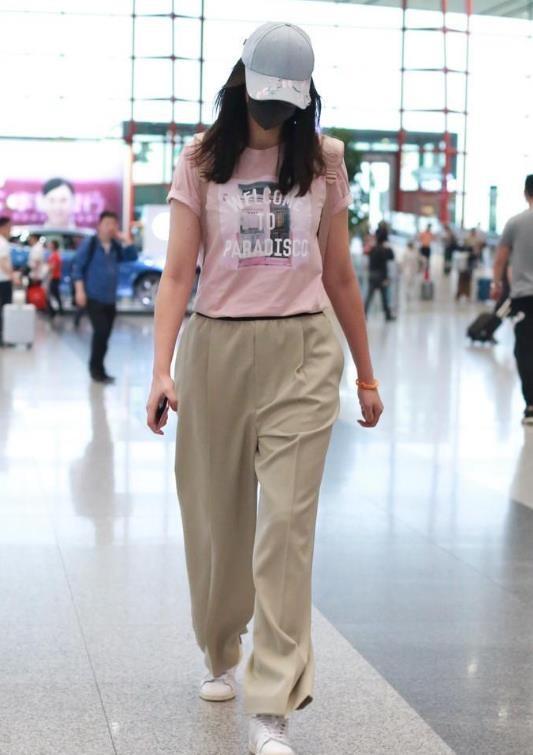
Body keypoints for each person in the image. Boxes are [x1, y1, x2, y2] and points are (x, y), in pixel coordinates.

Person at [146, 21, 383, 755]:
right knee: (217, 522)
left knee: (285, 526)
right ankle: (220, 646)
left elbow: (339, 273)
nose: (275, 111)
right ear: (240, 82)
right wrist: (161, 368)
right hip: (216, 349)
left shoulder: (324, 160)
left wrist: (366, 374)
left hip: (302, 352)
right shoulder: (200, 159)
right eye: (265, 96)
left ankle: (273, 703)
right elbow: (178, 274)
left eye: (289, 100)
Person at [72, 211, 137, 384]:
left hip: (110, 299)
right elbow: (78, 268)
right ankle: (95, 370)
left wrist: (126, 240)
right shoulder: (91, 244)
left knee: (105, 335)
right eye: (107, 223)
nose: (110, 227)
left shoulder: (115, 246)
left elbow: (132, 257)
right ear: (99, 225)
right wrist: (80, 291)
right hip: (94, 297)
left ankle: (100, 369)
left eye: (113, 224)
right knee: (100, 332)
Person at [493, 174, 533, 426]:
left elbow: (501, 259)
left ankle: (531, 405)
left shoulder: (515, 223)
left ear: (525, 193)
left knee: (525, 350)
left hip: (524, 297)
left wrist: (497, 284)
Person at [364, 228, 396, 321]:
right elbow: (389, 259)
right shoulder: (384, 249)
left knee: (369, 296)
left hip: (372, 274)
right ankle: (387, 315)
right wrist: (386, 277)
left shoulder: (373, 248)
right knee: (384, 296)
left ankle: (363, 314)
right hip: (380, 275)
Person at [0, 216, 14, 340]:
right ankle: (3, 335)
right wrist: (12, 275)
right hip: (3, 280)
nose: (10, 229)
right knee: (5, 308)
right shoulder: (2, 243)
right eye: (9, 226)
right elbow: (2, 262)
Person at [47, 240, 64, 318]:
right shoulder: (56, 254)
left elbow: (52, 267)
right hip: (55, 277)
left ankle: (53, 311)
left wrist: (46, 269)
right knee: (55, 294)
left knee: (51, 294)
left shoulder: (54, 255)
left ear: (53, 246)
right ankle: (58, 310)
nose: (49, 245)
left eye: (50, 244)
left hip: (54, 277)